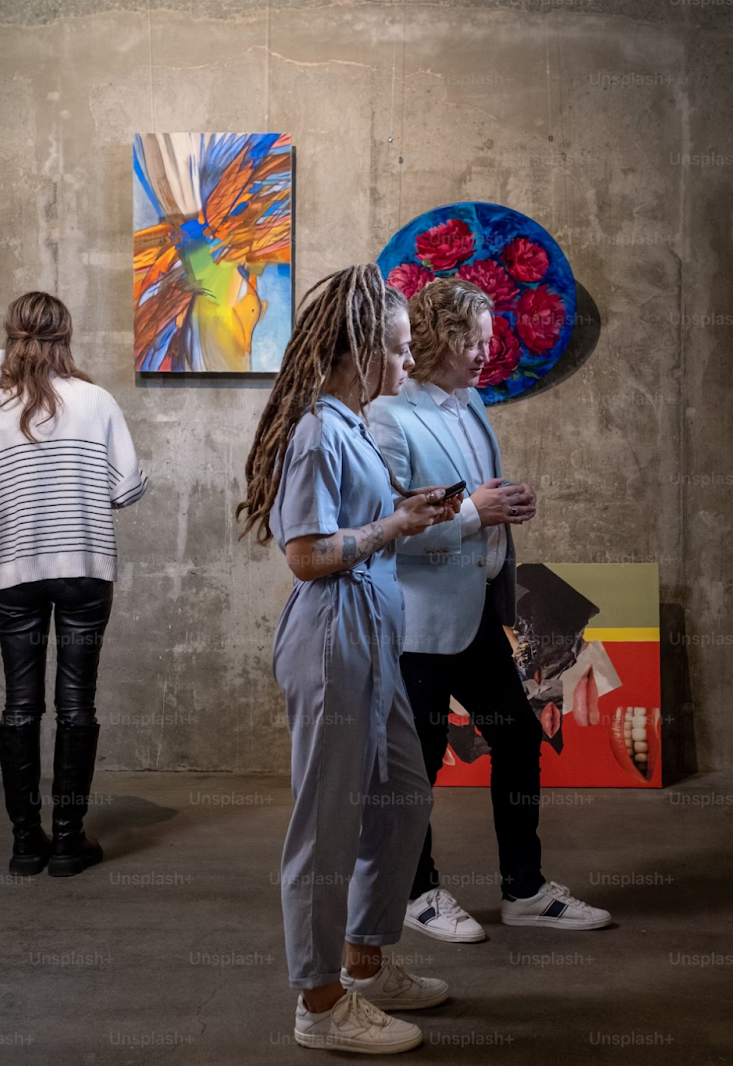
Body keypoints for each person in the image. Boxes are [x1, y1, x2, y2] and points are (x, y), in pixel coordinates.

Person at [237, 265, 457, 1054]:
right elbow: (304, 554)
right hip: (333, 637)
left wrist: (410, 514)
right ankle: (320, 1003)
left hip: (371, 635)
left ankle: (364, 961)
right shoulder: (317, 430)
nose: (407, 364)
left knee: (402, 794)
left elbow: (364, 526)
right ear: (360, 349)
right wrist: (392, 530)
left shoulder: (354, 422)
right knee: (325, 829)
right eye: (396, 352)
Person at [367, 277, 612, 941]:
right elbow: (384, 522)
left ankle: (524, 890)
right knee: (415, 765)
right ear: (440, 338)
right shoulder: (387, 415)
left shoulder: (471, 404)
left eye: (488, 339)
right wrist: (475, 514)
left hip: (476, 614)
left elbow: (476, 499)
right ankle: (415, 893)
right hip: (419, 626)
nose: (487, 351)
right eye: (475, 340)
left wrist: (506, 507)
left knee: (518, 736)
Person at [0, 291, 148, 878]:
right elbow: (129, 489)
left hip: (16, 573)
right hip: (86, 571)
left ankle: (24, 844)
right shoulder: (97, 401)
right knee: (76, 705)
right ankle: (67, 842)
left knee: (20, 705)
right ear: (65, 336)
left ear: (12, 336)